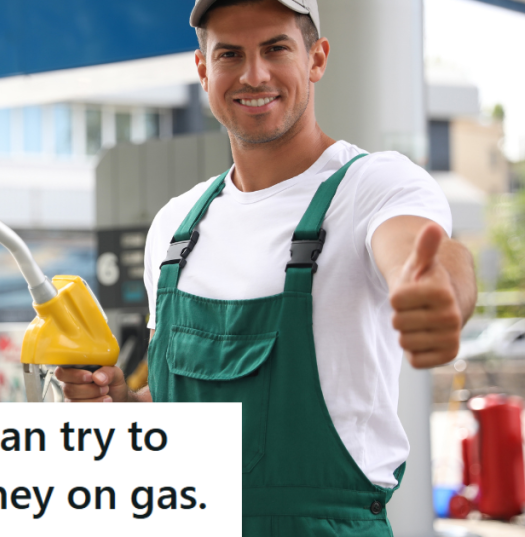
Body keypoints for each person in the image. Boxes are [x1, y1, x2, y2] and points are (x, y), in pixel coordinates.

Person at [56, 0, 477, 534]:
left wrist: (437, 290)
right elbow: (186, 406)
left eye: (275, 48)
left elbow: (428, 252)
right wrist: (125, 407)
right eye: (230, 54)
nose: (254, 74)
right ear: (204, 70)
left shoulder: (372, 187)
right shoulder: (174, 227)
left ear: (316, 59)